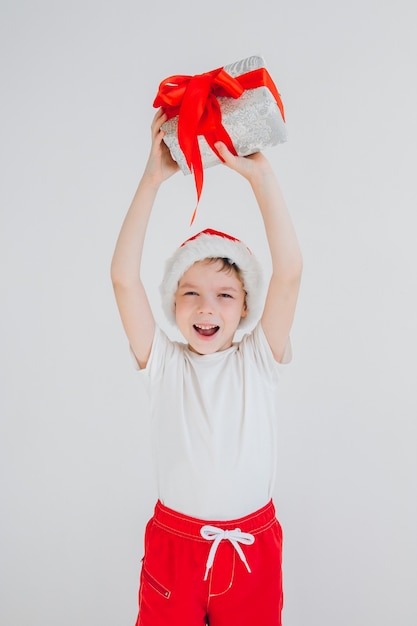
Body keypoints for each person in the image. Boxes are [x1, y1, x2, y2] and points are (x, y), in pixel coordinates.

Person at [111, 107, 303, 626]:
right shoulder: (163, 364)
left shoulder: (259, 358)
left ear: (245, 307)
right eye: (190, 293)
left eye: (224, 295)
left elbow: (289, 271)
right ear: (173, 303)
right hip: (175, 550)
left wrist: (260, 175)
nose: (205, 308)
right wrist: (152, 180)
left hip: (251, 549)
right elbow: (124, 278)